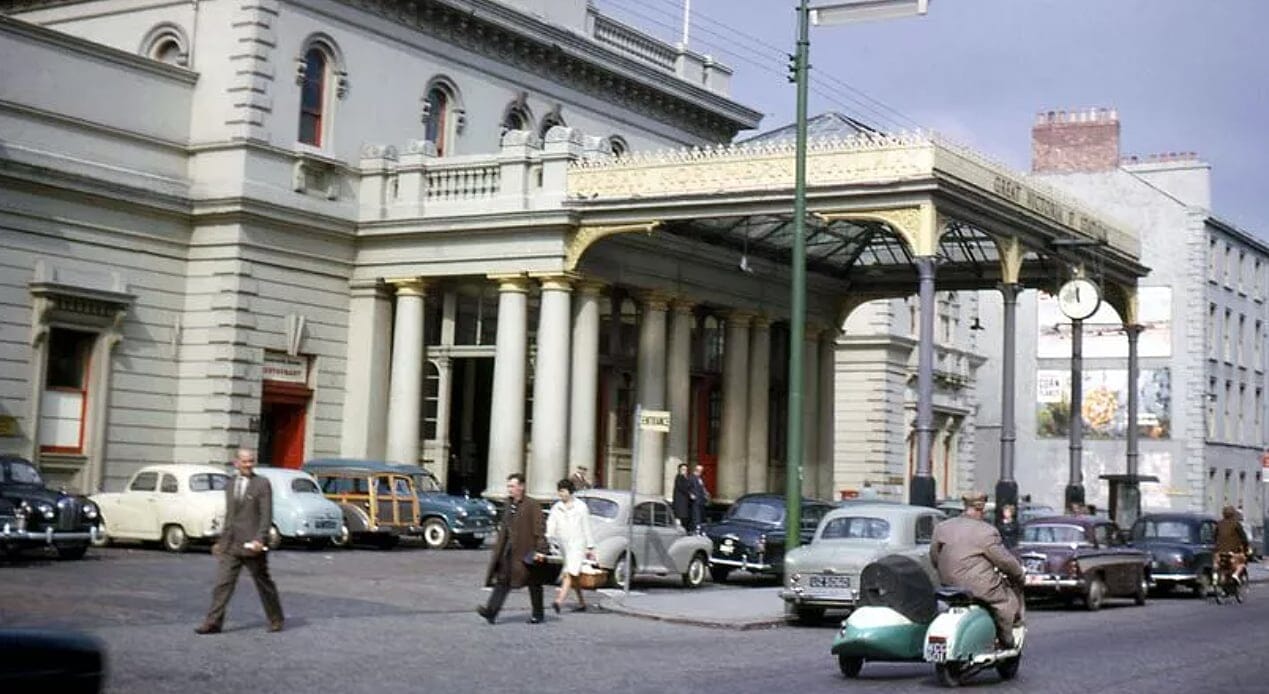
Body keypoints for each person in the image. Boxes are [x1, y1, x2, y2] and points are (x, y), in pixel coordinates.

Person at [195, 448, 284, 634]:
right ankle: (213, 622)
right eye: (244, 461)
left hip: (253, 545)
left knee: (263, 582)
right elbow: (230, 516)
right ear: (236, 463)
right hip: (231, 545)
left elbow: (266, 515)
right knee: (222, 584)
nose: (248, 465)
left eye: (251, 461)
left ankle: (275, 618)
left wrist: (260, 539)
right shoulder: (231, 483)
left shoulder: (262, 484)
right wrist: (221, 542)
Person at [930, 492, 1025, 650]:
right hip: (978, 587)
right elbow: (1003, 561)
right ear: (982, 508)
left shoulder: (942, 527)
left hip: (948, 585)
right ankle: (1006, 640)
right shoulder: (986, 532)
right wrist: (1018, 574)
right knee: (1005, 601)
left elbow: (934, 556)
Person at [479, 473, 548, 625]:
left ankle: (538, 613)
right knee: (502, 581)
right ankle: (491, 611)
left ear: (521, 487)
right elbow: (505, 528)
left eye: (512, 486)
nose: (509, 489)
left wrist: (541, 550)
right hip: (509, 551)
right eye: (508, 486)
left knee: (534, 584)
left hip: (527, 551)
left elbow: (539, 529)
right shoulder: (509, 504)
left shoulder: (532, 505)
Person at [546, 478, 595, 613]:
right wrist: (548, 536)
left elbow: (586, 527)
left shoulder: (581, 507)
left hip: (578, 544)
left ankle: (559, 601)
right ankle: (581, 602)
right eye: (559, 491)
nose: (560, 494)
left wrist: (590, 546)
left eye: (562, 491)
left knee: (569, 571)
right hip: (564, 545)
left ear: (569, 491)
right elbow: (551, 523)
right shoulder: (557, 507)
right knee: (574, 574)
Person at [1215, 505, 1251, 586]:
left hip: (1220, 551)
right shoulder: (1236, 524)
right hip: (1233, 551)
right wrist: (1246, 549)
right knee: (1242, 562)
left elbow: (1215, 536)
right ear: (1233, 514)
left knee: (1222, 566)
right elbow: (1244, 538)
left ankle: (1223, 582)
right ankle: (1236, 575)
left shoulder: (1219, 524)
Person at [671, 462, 693, 531]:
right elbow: (682, 487)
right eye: (683, 469)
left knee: (685, 519)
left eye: (685, 469)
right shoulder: (679, 477)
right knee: (681, 518)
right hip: (680, 503)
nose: (684, 471)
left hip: (685, 503)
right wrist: (690, 494)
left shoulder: (685, 477)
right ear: (679, 470)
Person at [690, 464, 710, 531]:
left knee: (700, 515)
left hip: (701, 500)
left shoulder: (700, 478)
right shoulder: (691, 477)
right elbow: (688, 487)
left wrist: (706, 494)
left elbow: (702, 488)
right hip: (695, 500)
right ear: (696, 470)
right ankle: (695, 528)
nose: (700, 472)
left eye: (701, 471)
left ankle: (699, 527)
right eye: (699, 471)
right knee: (696, 515)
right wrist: (691, 494)